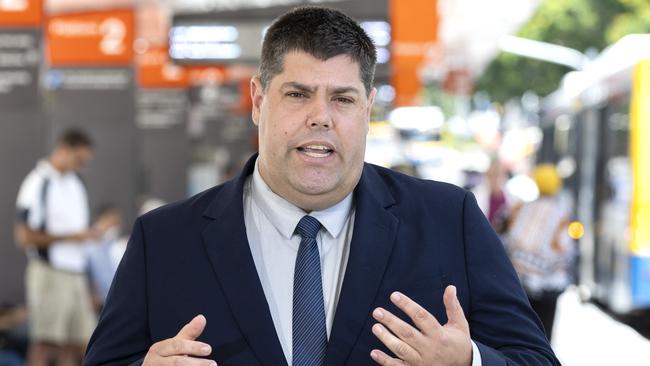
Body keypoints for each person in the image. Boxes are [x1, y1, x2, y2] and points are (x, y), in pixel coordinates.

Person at [84, 7, 559, 366]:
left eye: (343, 98)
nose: (320, 116)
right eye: (297, 94)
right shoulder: (164, 240)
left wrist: (468, 361)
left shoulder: (448, 219)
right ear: (257, 100)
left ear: (367, 108)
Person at [15, 129, 98, 366]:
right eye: (78, 159)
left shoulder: (76, 182)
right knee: (46, 343)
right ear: (63, 150)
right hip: (50, 272)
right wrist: (72, 237)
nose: (80, 165)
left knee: (79, 344)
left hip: (76, 274)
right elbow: (23, 237)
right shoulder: (38, 182)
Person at [504, 164, 575, 341]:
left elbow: (509, 239)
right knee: (543, 336)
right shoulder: (561, 215)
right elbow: (566, 250)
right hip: (548, 287)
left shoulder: (522, 208)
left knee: (521, 334)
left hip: (520, 284)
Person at [86, 205, 127, 309]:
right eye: (111, 220)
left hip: (113, 299)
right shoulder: (89, 243)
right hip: (98, 301)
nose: (115, 225)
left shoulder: (113, 243)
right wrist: (92, 293)